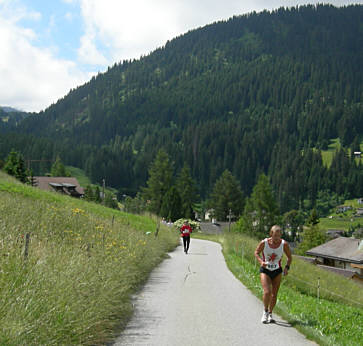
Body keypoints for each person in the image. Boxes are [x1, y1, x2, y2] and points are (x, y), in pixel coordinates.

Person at [254, 225, 292, 324]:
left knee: (274, 294)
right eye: (275, 236)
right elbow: (256, 252)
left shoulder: (284, 244)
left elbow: (289, 257)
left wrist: (287, 268)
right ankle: (265, 311)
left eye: (279, 236)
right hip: (265, 270)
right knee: (267, 292)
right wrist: (261, 262)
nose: (277, 239)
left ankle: (270, 314)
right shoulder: (264, 242)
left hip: (277, 271)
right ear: (271, 234)